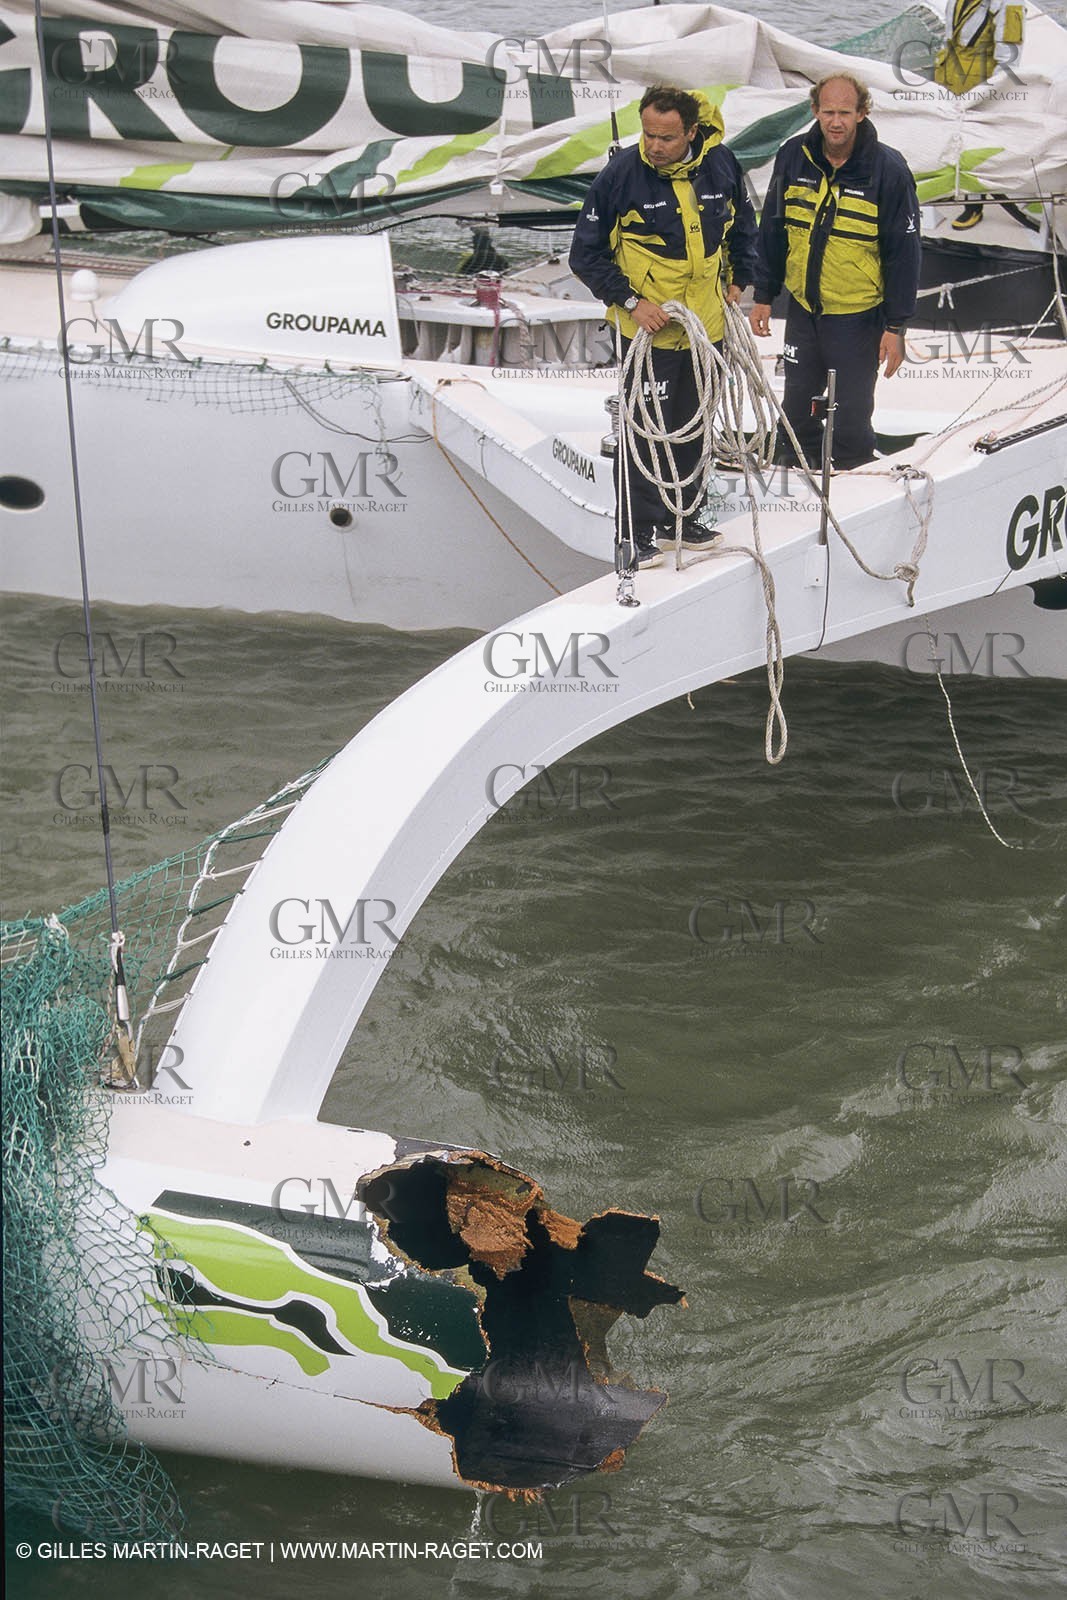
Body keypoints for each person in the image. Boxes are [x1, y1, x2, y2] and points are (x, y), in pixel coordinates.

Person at [569, 85, 758, 567]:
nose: (654, 146)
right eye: (648, 134)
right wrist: (633, 302)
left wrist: (741, 278)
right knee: (643, 434)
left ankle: (682, 521)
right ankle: (634, 534)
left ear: (691, 132)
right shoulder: (620, 176)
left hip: (706, 329)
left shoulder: (721, 164)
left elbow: (742, 225)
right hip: (646, 332)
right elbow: (585, 255)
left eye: (667, 138)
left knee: (694, 428)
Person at [749, 74, 921, 472]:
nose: (836, 122)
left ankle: (853, 472)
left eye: (845, 112)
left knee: (851, 419)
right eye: (828, 112)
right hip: (803, 311)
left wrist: (896, 327)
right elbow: (773, 227)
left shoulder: (889, 170)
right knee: (797, 409)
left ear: (862, 113)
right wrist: (763, 295)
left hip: (858, 318)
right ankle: (795, 474)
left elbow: (905, 255)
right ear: (815, 111)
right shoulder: (793, 155)